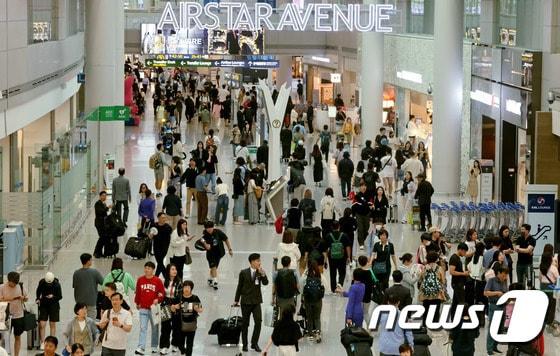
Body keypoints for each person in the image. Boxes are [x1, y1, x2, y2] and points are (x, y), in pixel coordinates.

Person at [234, 253, 269, 352]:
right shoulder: (243, 272)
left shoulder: (260, 272)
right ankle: (245, 344)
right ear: (252, 262)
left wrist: (263, 274)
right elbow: (239, 286)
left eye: (259, 260)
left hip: (256, 301)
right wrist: (236, 300)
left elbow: (266, 283)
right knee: (245, 324)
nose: (259, 262)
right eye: (258, 260)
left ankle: (254, 343)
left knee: (258, 322)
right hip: (245, 302)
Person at [134, 262, 165, 355]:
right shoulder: (140, 280)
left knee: (155, 328)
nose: (147, 270)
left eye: (149, 268)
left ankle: (154, 346)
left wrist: (158, 299)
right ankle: (141, 347)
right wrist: (137, 302)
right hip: (143, 308)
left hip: (154, 309)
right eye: (145, 268)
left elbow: (161, 293)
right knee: (143, 328)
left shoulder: (158, 281)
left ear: (153, 270)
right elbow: (138, 292)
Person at [0, 272, 28, 356]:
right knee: (4, 337)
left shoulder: (20, 286)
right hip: (5, 316)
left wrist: (23, 298)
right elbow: (1, 299)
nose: (14, 285)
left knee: (17, 336)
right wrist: (13, 298)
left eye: (15, 284)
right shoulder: (2, 287)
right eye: (12, 283)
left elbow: (26, 298)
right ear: (9, 281)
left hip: (18, 315)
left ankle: (16, 355)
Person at [201, 221, 233, 290]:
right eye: (207, 228)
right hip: (210, 254)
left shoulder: (218, 232)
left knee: (214, 267)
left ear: (213, 227)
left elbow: (226, 239)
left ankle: (210, 278)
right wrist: (205, 244)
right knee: (213, 267)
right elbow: (204, 244)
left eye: (210, 227)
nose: (209, 229)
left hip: (219, 253)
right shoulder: (205, 236)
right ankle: (215, 281)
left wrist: (230, 249)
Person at [484, 266, 509, 355]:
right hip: (494, 306)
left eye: (506, 276)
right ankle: (489, 350)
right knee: (493, 328)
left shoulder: (505, 281)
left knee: (500, 329)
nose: (504, 278)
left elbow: (506, 291)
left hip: (503, 307)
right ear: (498, 273)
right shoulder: (491, 281)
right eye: (503, 276)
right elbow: (486, 292)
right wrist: (497, 293)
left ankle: (495, 346)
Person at [301, 261, 327, 342]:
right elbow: (325, 286)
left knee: (309, 317)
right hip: (318, 300)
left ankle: (310, 334)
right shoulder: (320, 276)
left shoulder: (305, 277)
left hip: (308, 300)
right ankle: (318, 334)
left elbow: (301, 287)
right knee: (317, 317)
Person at [418, 252, 446, 325]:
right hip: (436, 294)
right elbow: (443, 281)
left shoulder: (424, 268)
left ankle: (425, 326)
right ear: (436, 259)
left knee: (426, 311)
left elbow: (420, 279)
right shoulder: (439, 268)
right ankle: (435, 326)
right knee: (435, 312)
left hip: (426, 294)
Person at [159, 264, 182, 355]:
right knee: (165, 327)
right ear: (168, 271)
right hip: (165, 304)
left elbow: (180, 296)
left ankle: (175, 344)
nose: (175, 271)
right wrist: (168, 305)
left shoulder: (179, 282)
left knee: (176, 326)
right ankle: (164, 346)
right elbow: (161, 295)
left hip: (176, 305)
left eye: (175, 269)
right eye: (172, 269)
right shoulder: (164, 281)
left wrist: (175, 305)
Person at [72, 254, 103, 320]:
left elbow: (75, 286)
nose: (91, 261)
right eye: (91, 260)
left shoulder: (76, 273)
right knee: (91, 321)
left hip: (79, 301)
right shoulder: (95, 272)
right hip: (91, 300)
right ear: (88, 261)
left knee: (81, 320)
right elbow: (103, 282)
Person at [36, 272, 62, 348]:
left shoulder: (57, 284)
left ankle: (52, 342)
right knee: (42, 324)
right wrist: (37, 298)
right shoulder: (42, 282)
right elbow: (38, 291)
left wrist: (53, 296)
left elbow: (60, 296)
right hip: (44, 305)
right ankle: (43, 342)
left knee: (52, 324)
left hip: (54, 306)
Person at [325, 221, 352, 293]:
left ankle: (333, 289)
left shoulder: (328, 236)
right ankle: (339, 285)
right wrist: (349, 257)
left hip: (332, 258)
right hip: (342, 257)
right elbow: (347, 247)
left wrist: (326, 259)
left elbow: (326, 249)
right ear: (339, 227)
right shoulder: (344, 235)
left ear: (331, 227)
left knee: (332, 273)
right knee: (342, 272)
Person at [178, 281, 202, 356]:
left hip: (191, 325)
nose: (186, 289)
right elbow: (172, 306)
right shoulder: (179, 297)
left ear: (191, 288)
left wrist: (197, 309)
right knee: (180, 343)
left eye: (188, 287)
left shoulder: (195, 298)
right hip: (180, 325)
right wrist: (174, 306)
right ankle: (182, 350)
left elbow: (201, 309)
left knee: (190, 343)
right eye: (185, 287)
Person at [539, 246, 559, 334]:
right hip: (551, 289)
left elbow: (539, 279)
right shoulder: (553, 268)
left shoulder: (541, 268)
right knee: (552, 307)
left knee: (545, 306)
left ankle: (543, 321)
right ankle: (549, 323)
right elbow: (558, 279)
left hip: (543, 288)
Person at [449, 243, 469, 315]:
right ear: (461, 250)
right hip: (457, 283)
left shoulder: (458, 258)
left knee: (456, 302)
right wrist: (463, 274)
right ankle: (457, 318)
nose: (465, 253)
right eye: (465, 251)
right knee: (461, 302)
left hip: (459, 283)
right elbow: (451, 272)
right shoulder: (454, 258)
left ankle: (454, 319)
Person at [152, 213, 173, 278]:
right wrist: (150, 235)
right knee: (160, 263)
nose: (164, 219)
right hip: (156, 246)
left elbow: (169, 238)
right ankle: (164, 277)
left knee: (160, 262)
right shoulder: (154, 226)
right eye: (162, 218)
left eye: (164, 218)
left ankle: (158, 277)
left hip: (164, 247)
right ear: (158, 218)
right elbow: (150, 235)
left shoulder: (168, 227)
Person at [352, 184, 372, 250]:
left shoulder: (369, 195)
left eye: (365, 186)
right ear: (360, 188)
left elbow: (371, 204)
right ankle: (361, 243)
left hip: (367, 214)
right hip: (358, 214)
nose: (363, 187)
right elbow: (353, 205)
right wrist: (353, 215)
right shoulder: (357, 196)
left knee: (366, 228)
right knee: (360, 228)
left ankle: (363, 239)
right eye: (362, 186)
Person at [93, 191, 111, 258]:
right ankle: (96, 252)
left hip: (103, 223)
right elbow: (100, 212)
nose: (104, 197)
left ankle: (99, 253)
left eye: (105, 195)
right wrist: (107, 208)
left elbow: (104, 214)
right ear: (100, 196)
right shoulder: (97, 204)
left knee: (103, 238)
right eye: (103, 195)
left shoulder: (103, 203)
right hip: (99, 223)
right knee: (102, 237)